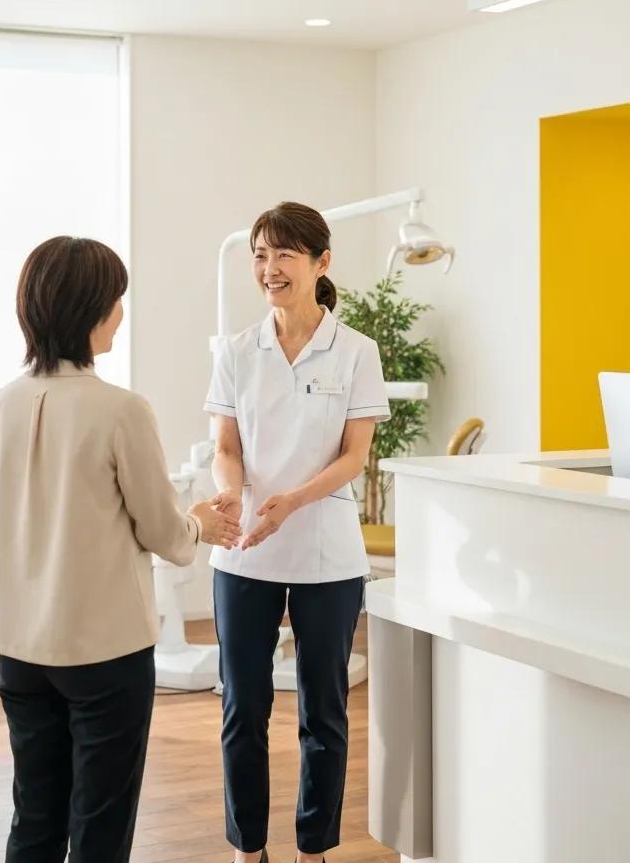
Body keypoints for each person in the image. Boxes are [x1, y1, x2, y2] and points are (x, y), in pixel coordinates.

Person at [0, 235, 239, 863]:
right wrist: (200, 521)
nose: (121, 312)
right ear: (91, 309)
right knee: (100, 826)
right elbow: (164, 533)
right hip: (103, 652)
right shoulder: (120, 410)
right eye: (117, 299)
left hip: (18, 647)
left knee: (34, 820)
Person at [204, 202, 390, 863]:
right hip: (245, 554)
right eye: (260, 254)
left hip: (327, 556)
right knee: (243, 710)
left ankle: (313, 850)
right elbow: (226, 444)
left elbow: (354, 456)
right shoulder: (235, 352)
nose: (269, 269)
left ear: (321, 263)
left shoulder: (356, 352)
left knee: (323, 715)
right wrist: (232, 492)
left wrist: (293, 501)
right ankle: (247, 849)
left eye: (284, 254)